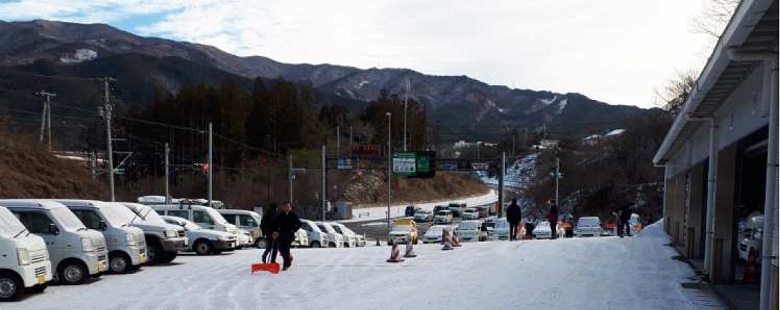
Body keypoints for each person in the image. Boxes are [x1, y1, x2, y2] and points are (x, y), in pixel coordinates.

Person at [276, 201, 302, 271]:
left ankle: (286, 264)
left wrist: (293, 229)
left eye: (288, 206)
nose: (286, 208)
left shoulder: (293, 215)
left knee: (286, 249)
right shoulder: (281, 214)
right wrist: (276, 230)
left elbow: (299, 224)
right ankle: (288, 260)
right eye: (285, 206)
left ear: (290, 207)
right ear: (283, 207)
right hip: (281, 234)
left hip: (289, 235)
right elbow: (276, 223)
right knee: (281, 249)